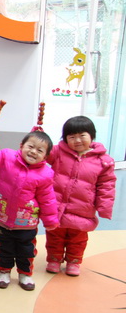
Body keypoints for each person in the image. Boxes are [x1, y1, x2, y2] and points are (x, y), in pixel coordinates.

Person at [0, 123, 59, 291]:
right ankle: (4, 271)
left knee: (26, 250)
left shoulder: (45, 174)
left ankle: (25, 274)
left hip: (26, 222)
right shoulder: (6, 158)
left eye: (40, 150)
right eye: (30, 146)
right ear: (21, 145)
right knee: (4, 248)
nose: (33, 152)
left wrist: (50, 220)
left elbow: (48, 199)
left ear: (46, 156)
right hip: (3, 217)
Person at [44, 116, 116, 276]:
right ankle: (54, 259)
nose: (77, 140)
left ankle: (73, 261)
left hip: (83, 209)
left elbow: (107, 186)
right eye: (71, 137)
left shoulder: (103, 161)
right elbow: (43, 152)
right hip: (56, 206)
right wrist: (38, 137)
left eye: (82, 135)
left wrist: (104, 207)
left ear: (92, 136)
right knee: (54, 236)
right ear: (65, 139)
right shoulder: (58, 152)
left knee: (78, 239)